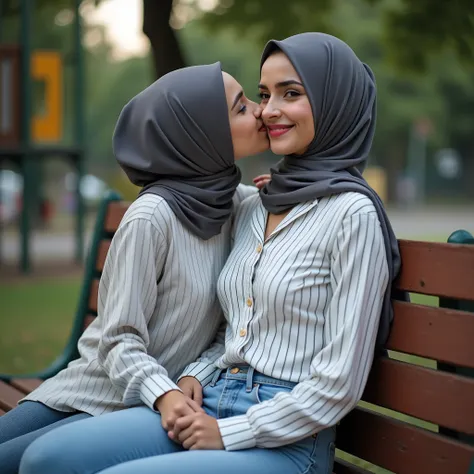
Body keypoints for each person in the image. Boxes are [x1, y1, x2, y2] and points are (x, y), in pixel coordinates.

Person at [19, 33, 403, 474]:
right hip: (213, 397)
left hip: (286, 438)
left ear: (336, 103)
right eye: (263, 95)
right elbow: (236, 329)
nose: (268, 110)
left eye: (290, 94)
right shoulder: (256, 205)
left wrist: (229, 434)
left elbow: (339, 382)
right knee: (46, 461)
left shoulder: (352, 214)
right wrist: (193, 377)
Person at [0, 62, 269, 473]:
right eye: (240, 108)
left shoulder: (238, 204)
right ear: (203, 136)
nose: (260, 110)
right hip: (96, 387)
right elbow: (117, 339)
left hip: (148, 407)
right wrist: (164, 393)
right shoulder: (153, 217)